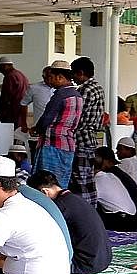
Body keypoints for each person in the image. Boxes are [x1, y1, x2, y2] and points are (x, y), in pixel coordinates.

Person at [29, 170, 111, 274]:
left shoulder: (60, 206)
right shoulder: (75, 199)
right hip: (104, 259)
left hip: (84, 264)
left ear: (44, 192)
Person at [31, 60, 81, 188]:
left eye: (51, 77)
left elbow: (46, 119)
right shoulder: (77, 95)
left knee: (45, 183)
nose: (49, 81)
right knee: (61, 183)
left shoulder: (60, 96)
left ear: (60, 77)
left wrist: (36, 129)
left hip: (52, 145)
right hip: (68, 144)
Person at [71, 56, 107, 207]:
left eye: (73, 74)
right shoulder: (98, 87)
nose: (73, 78)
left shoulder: (84, 90)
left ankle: (84, 211)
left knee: (80, 180)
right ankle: (92, 210)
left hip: (81, 138)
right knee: (88, 178)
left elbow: (77, 115)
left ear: (80, 73)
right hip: (91, 138)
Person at [93, 146, 137, 231]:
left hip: (128, 220)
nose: (117, 152)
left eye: (119, 149)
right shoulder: (115, 173)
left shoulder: (107, 174)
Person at [0, 56, 30, 129]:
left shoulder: (9, 77)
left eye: (0, 68)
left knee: (7, 136)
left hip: (11, 113)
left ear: (5, 66)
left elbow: (6, 98)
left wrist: (1, 114)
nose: (0, 71)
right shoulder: (21, 75)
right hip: (21, 111)